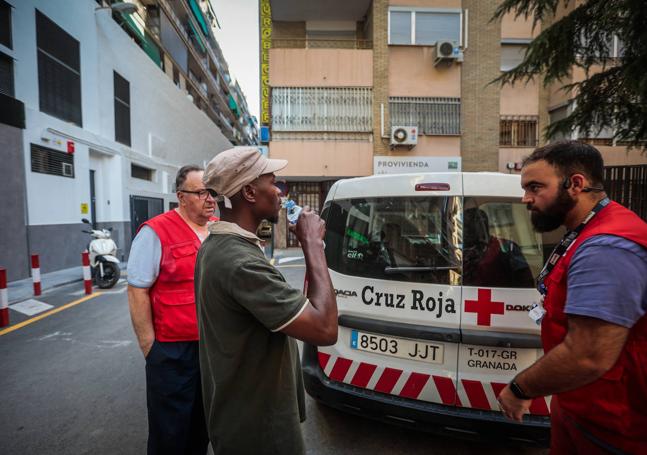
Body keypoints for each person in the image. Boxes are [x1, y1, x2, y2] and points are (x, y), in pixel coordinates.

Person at [497, 141, 647, 454]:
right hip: (584, 405)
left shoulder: (606, 247)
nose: (526, 199)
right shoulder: (587, 230)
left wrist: (519, 388)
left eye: (535, 187)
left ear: (575, 184)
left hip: (615, 423)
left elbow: (587, 355)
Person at [195, 147, 337, 455]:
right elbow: (325, 328)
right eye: (274, 182)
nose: (280, 192)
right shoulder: (239, 262)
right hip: (259, 432)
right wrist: (313, 244)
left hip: (244, 419)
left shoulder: (220, 247)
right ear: (248, 191)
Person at [127, 165, 214, 455]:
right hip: (171, 352)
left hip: (211, 349)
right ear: (181, 196)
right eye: (201, 192)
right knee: (170, 432)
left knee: (202, 426)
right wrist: (150, 347)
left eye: (212, 191)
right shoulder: (155, 231)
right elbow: (137, 288)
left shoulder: (217, 230)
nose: (210, 198)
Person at [462, 207, 534, 288]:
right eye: (464, 228)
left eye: (468, 227)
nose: (465, 233)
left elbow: (526, 282)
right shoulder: (461, 252)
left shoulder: (506, 247)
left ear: (482, 226)